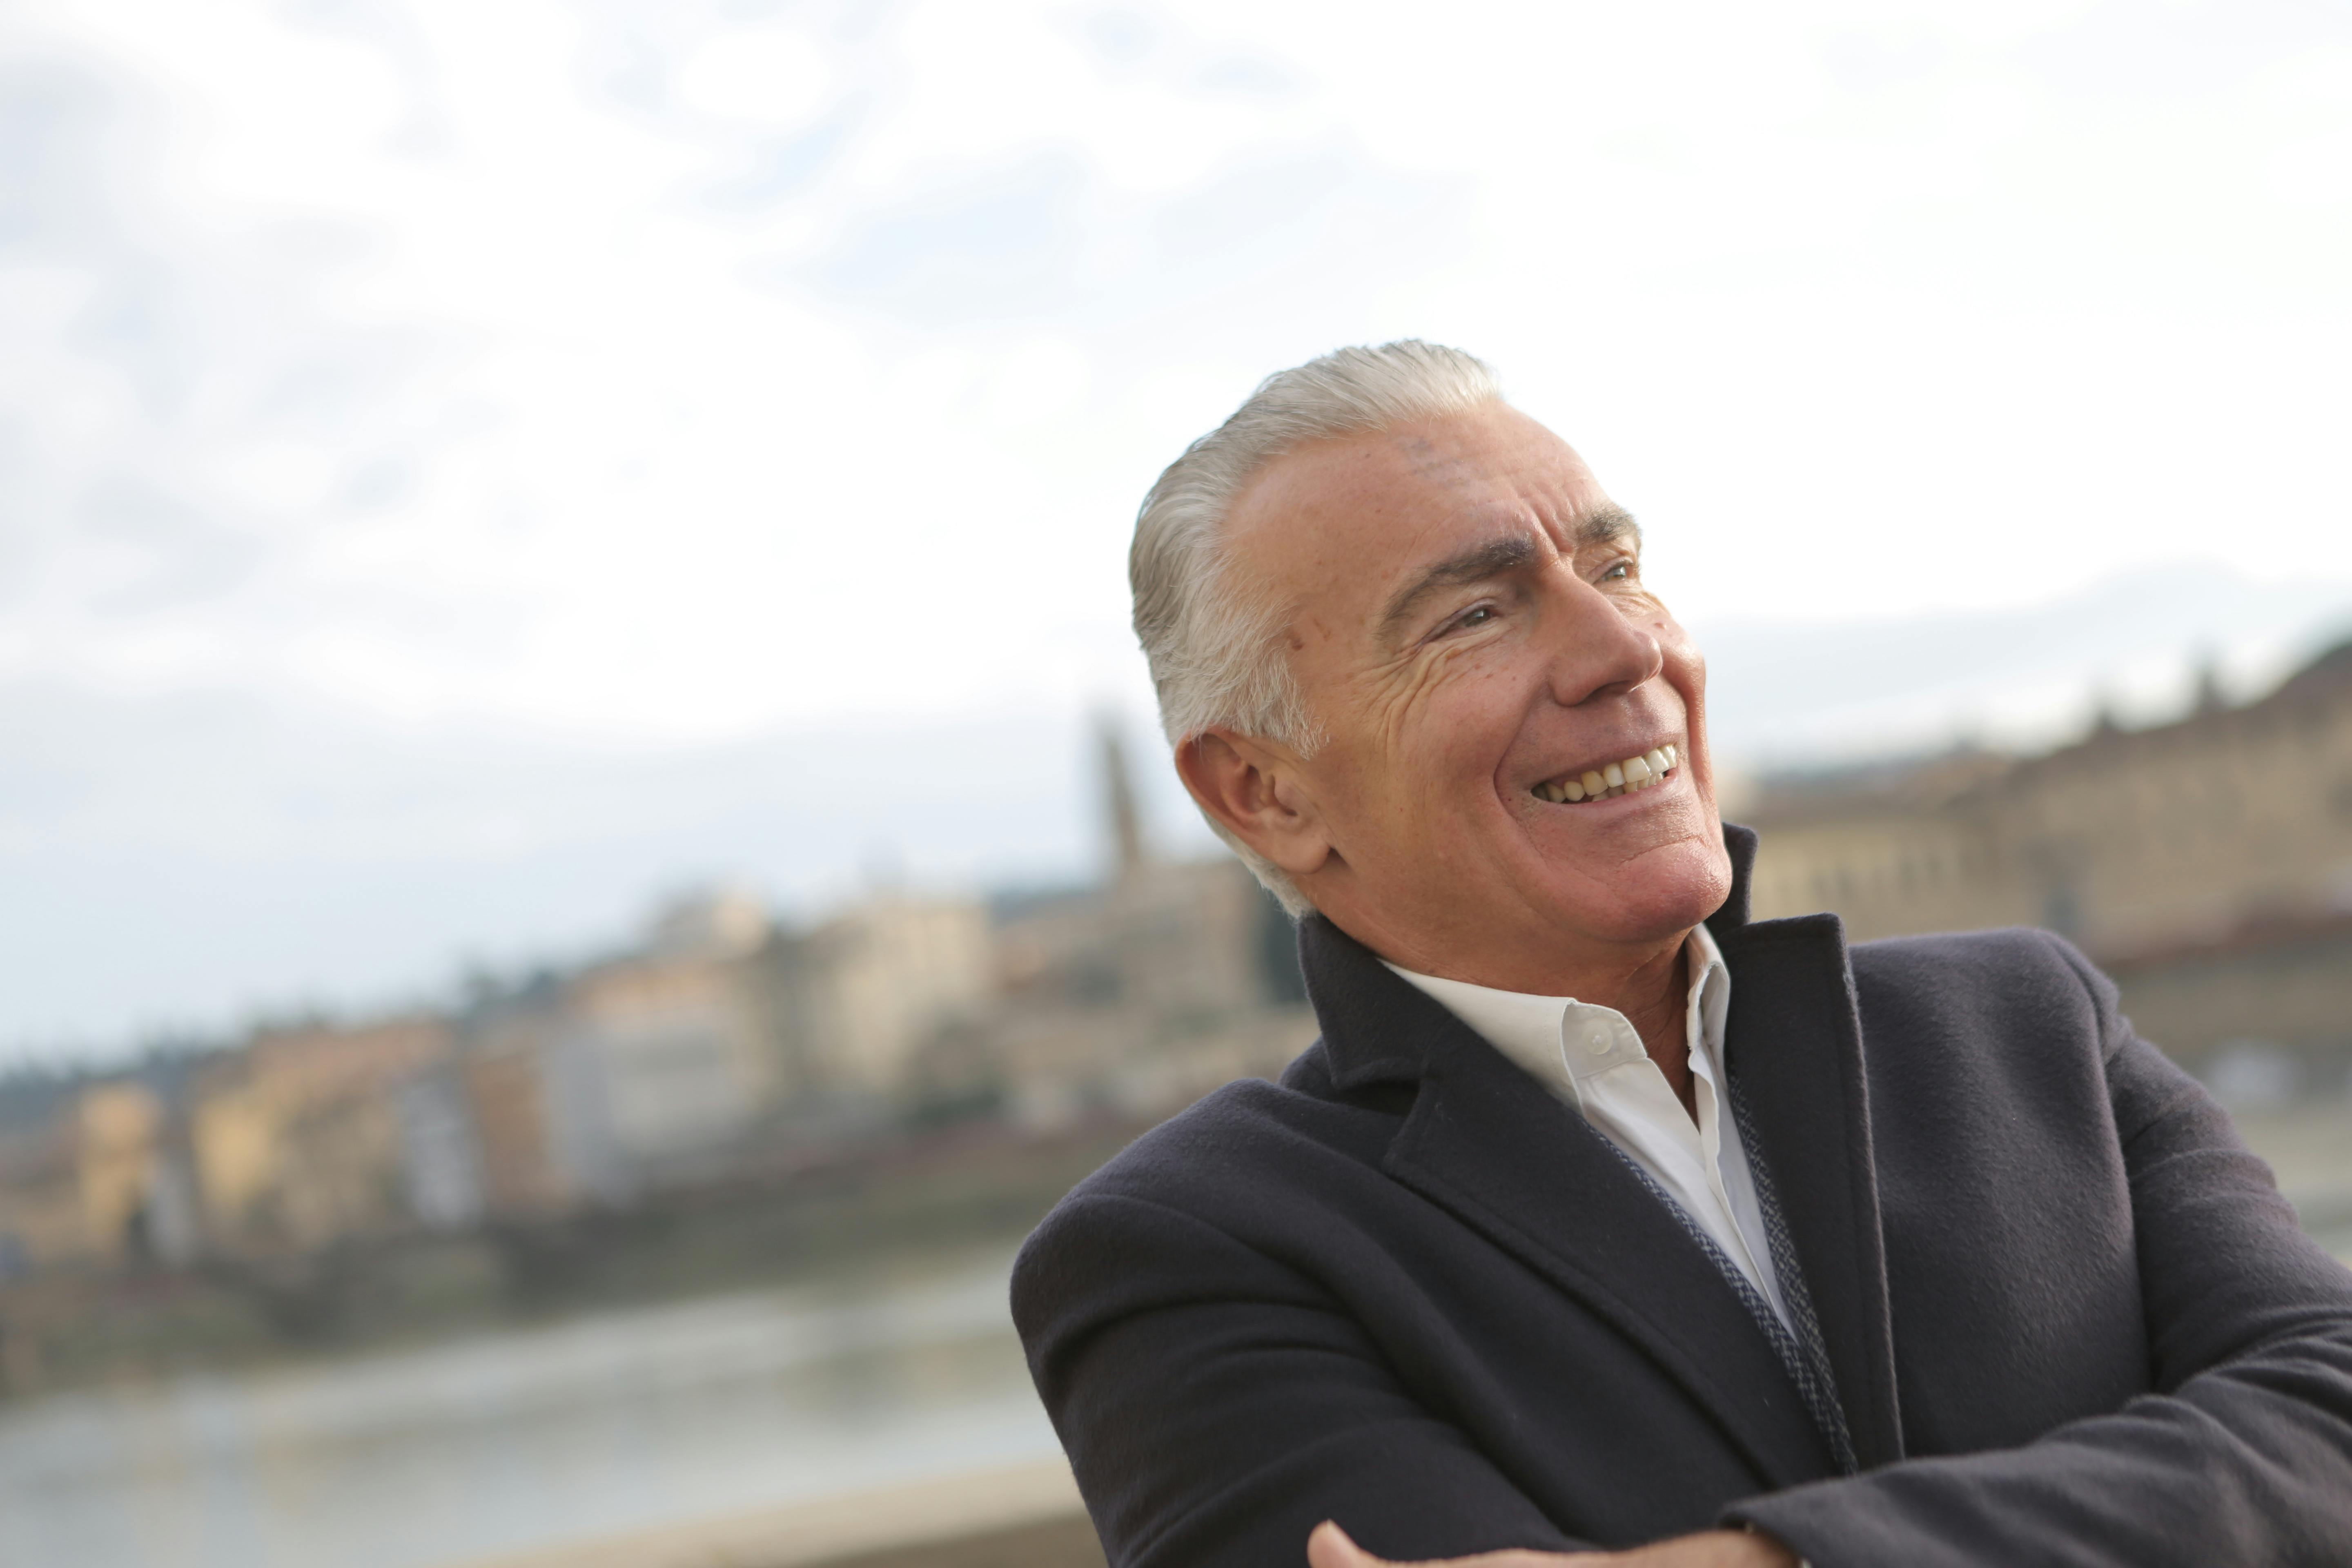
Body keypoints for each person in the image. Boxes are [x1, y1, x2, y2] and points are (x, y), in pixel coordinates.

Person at [1008, 341, 2352, 1567]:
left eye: (1614, 568)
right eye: (1472, 615)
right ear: (1263, 792)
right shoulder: (1179, 1260)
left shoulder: (2029, 1023)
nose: (1624, 646)